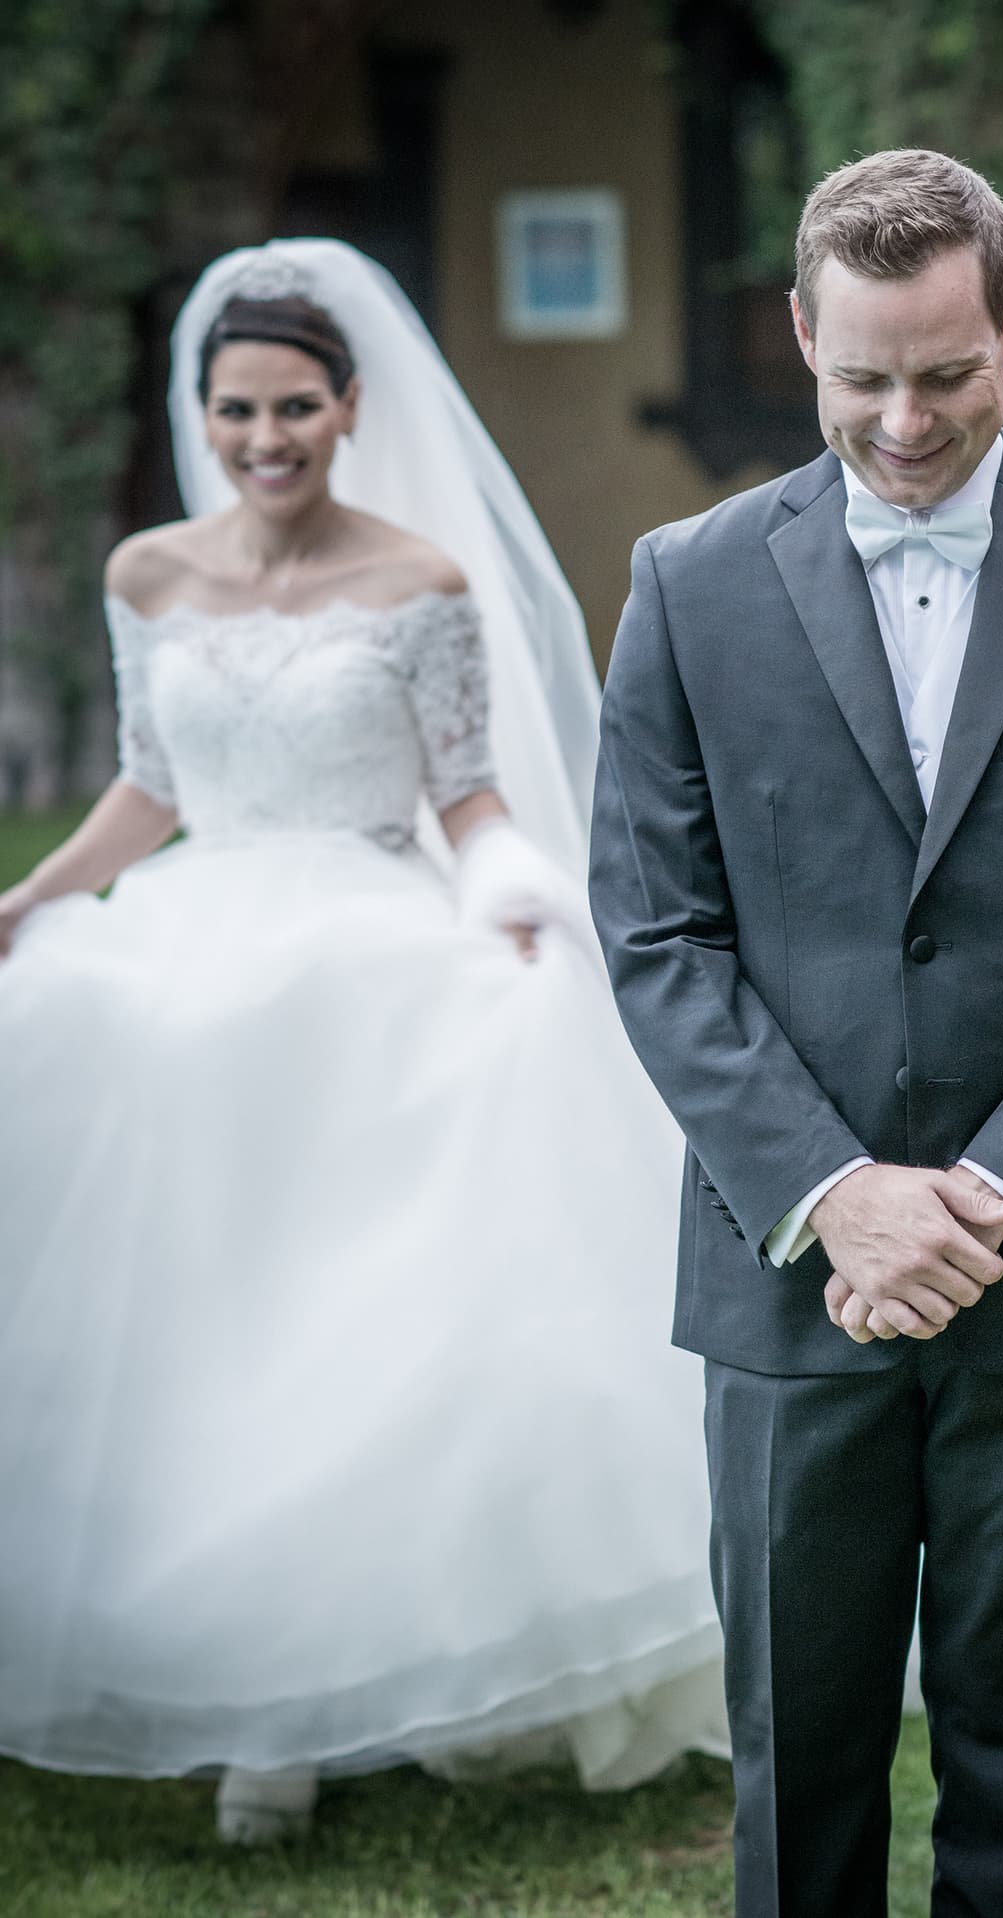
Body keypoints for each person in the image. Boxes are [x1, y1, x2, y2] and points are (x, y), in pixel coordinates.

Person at [588, 149, 1003, 1917]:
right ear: (805, 333)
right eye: (863, 375)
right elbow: (658, 928)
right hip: (787, 1266)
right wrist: (838, 1194)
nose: (904, 420)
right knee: (793, 1754)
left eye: (948, 374)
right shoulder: (686, 581)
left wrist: (987, 1191)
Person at [0, 239, 728, 1843]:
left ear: (346, 412)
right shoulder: (147, 575)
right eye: (237, 410)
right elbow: (150, 782)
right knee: (178, 1306)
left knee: (337, 1313)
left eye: (295, 410)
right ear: (203, 412)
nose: (265, 438)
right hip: (194, 928)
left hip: (362, 934)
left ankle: (303, 1701)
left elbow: (465, 792)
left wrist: (511, 893)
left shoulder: (419, 581)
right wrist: (38, 893)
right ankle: (169, 1639)